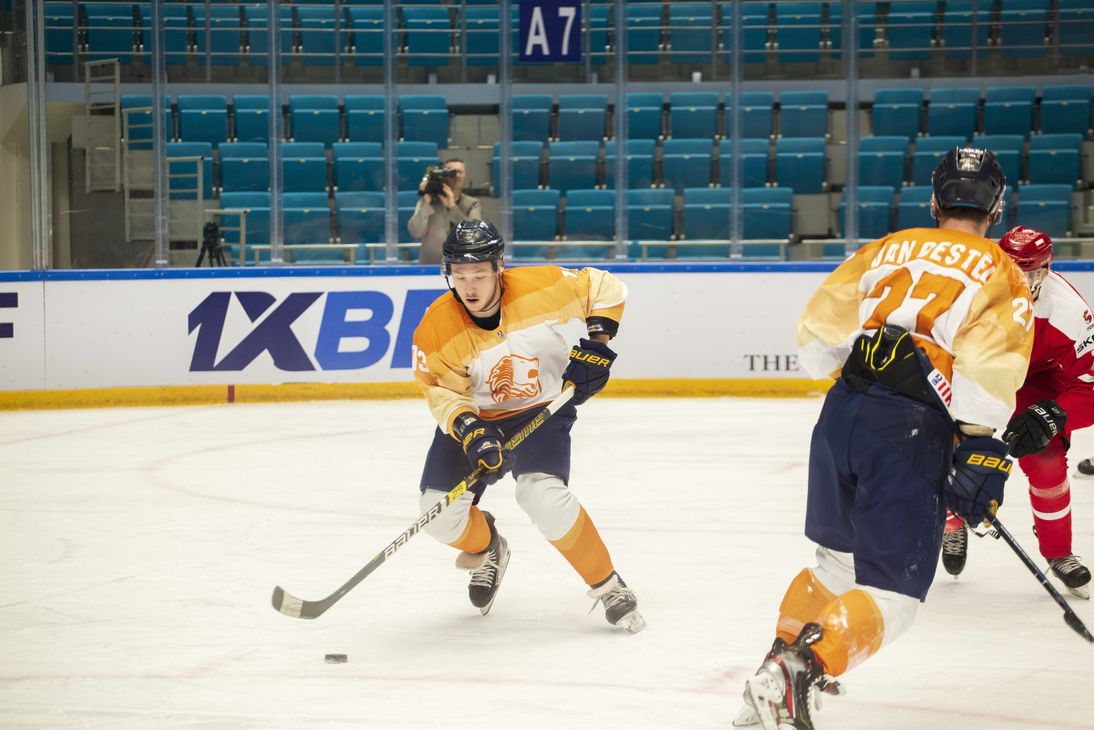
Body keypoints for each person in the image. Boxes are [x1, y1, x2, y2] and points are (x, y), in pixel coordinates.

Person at [733, 147, 1033, 729]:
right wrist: (977, 442)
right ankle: (799, 673)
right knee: (896, 597)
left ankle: (773, 672)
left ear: (935, 200)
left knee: (835, 565)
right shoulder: (1002, 270)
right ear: (995, 207)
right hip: (910, 428)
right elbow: (989, 371)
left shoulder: (886, 247)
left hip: (842, 412)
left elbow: (818, 337)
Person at [409, 218, 645, 633]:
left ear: (499, 267)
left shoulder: (541, 285)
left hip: (541, 409)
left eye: (479, 274)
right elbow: (441, 392)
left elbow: (606, 288)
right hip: (477, 418)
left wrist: (596, 348)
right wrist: (471, 430)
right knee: (438, 517)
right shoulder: (436, 327)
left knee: (543, 497)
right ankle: (489, 548)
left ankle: (608, 585)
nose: (470, 287)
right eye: (460, 276)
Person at [941, 225, 1092, 599]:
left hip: (1035, 380)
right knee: (944, 446)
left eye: (1032, 272)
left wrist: (1055, 414)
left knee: (1047, 458)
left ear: (1047, 270)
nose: (1023, 281)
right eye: (1013, 270)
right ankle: (951, 522)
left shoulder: (1070, 312)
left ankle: (1058, 551)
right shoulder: (968, 296)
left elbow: (1089, 386)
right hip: (979, 372)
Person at [407, 158, 482, 265]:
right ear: (442, 174)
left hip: (463, 268)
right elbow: (416, 232)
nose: (455, 175)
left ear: (465, 175)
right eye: (450, 172)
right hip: (429, 268)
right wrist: (426, 201)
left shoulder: (472, 203)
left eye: (459, 172)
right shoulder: (427, 201)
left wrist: (452, 207)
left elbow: (474, 236)